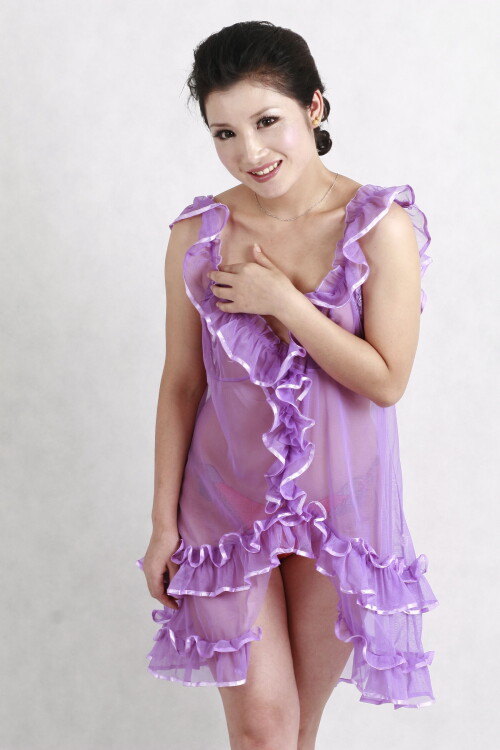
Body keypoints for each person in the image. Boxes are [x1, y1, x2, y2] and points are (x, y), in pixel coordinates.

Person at [136, 19, 439, 750]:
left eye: (267, 121)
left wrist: (285, 305)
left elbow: (387, 380)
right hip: (224, 502)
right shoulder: (199, 236)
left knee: (297, 733)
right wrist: (163, 523)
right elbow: (181, 385)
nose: (250, 152)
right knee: (264, 732)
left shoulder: (379, 227)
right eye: (225, 133)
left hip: (341, 510)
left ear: (315, 107)